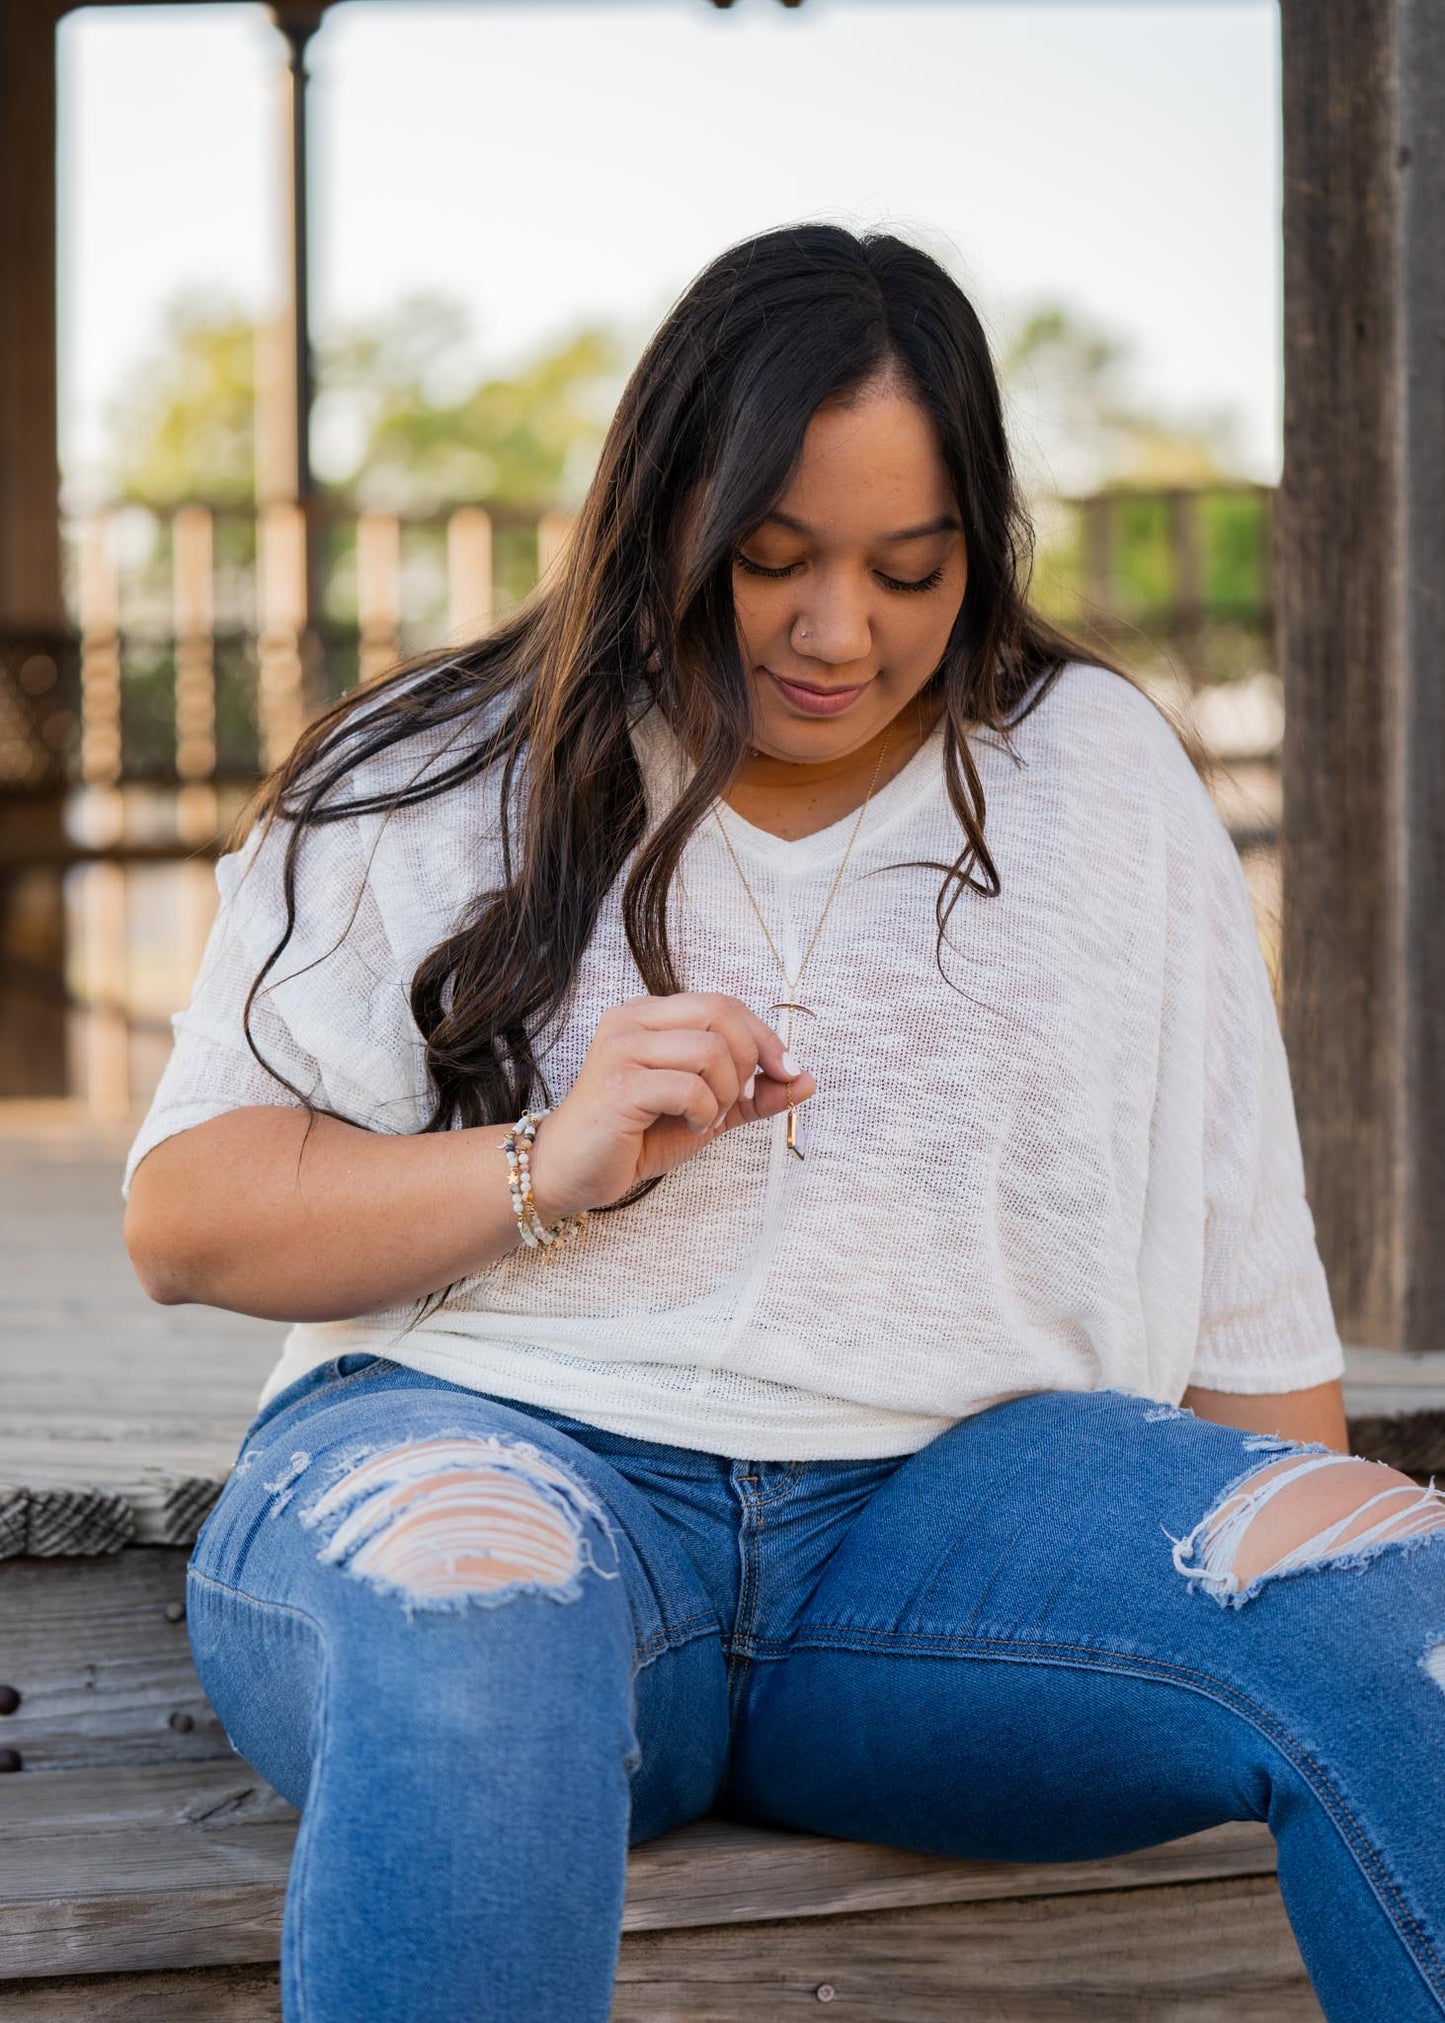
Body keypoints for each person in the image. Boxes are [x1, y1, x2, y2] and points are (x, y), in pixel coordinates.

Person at [122, 223, 1445, 2023]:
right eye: (769, 561)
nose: (842, 634)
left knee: (1396, 1604)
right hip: (501, 1460)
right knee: (475, 1630)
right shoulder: (428, 772)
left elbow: (1239, 1271)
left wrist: (1300, 1572)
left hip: (952, 1537)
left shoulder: (1098, 774)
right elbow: (190, 1215)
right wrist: (544, 1164)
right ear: (660, 512)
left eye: (913, 570)